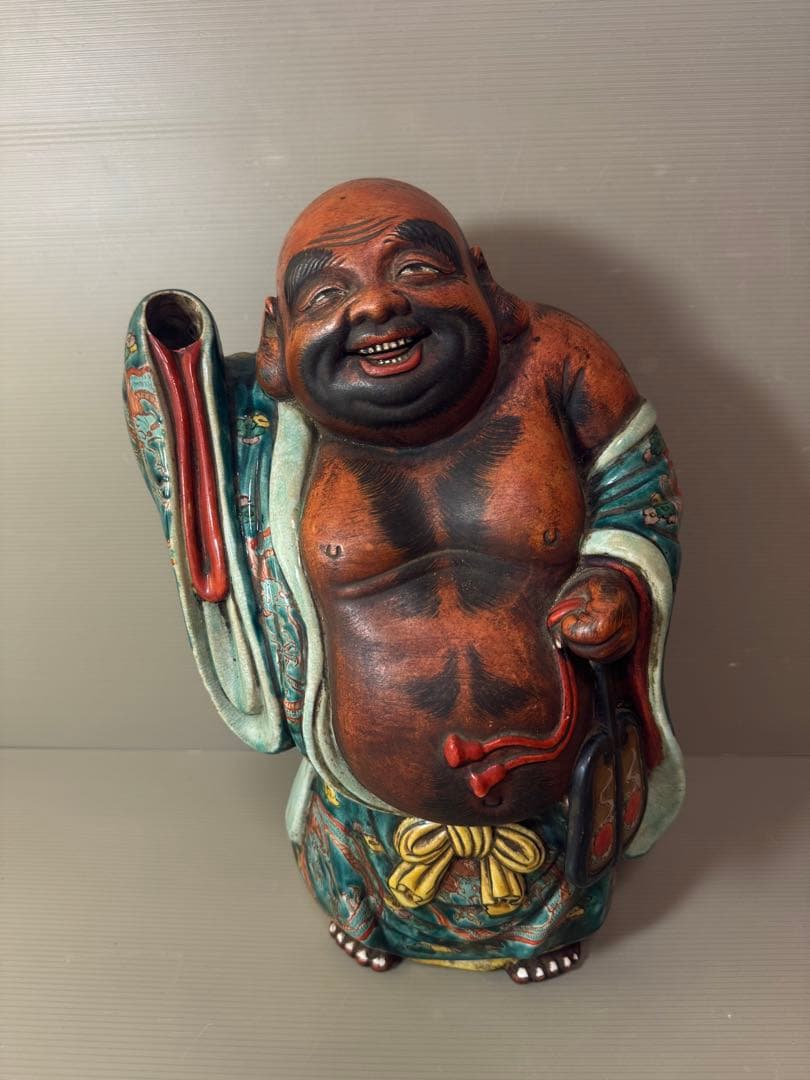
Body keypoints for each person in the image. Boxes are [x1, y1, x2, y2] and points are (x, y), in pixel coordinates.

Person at [124, 179, 683, 982]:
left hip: (558, 781)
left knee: (565, 864)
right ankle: (368, 906)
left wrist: (617, 576)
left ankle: (548, 923)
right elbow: (176, 416)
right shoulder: (265, 425)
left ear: (482, 280)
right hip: (367, 811)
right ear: (278, 333)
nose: (377, 305)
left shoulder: (558, 359)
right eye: (327, 293)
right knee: (359, 869)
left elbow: (638, 486)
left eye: (415, 269)